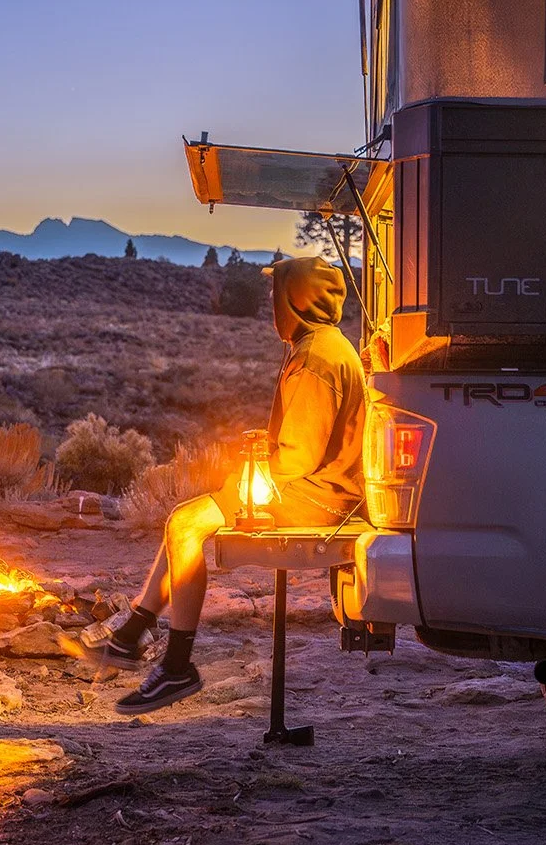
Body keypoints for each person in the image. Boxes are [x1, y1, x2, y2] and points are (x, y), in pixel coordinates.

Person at [75, 255, 367, 713]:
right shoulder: (324, 345)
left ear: (297, 299)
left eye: (277, 294)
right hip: (323, 491)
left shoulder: (316, 359)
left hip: (321, 501)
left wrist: (246, 478)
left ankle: (176, 667)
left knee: (187, 525)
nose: (271, 303)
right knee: (182, 522)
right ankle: (132, 633)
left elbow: (297, 458)